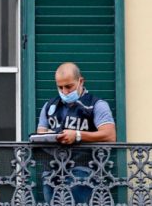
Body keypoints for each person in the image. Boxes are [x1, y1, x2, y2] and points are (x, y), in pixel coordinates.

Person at [37, 62, 116, 204]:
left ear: (81, 81)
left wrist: (78, 135)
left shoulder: (96, 104)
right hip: (51, 170)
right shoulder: (49, 106)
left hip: (83, 169)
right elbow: (41, 132)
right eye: (60, 87)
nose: (64, 92)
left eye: (68, 86)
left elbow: (110, 135)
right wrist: (49, 136)